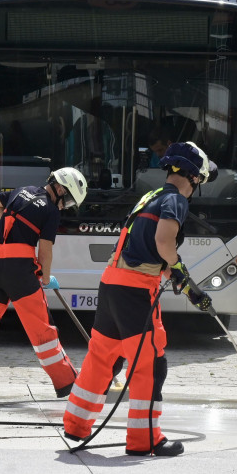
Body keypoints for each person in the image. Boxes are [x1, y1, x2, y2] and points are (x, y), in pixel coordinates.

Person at [63, 141, 216, 457]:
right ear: (195, 178)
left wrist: (177, 278)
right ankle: (145, 439)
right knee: (149, 365)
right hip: (135, 291)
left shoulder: (151, 197)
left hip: (111, 284)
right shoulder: (175, 201)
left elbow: (144, 245)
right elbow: (163, 242)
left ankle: (75, 424)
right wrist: (182, 273)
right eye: (200, 179)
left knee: (103, 357)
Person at [0, 167, 88, 400]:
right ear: (59, 188)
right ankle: (66, 381)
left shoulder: (21, 191)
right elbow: (45, 251)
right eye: (67, 200)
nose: (64, 206)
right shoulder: (50, 210)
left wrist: (16, 226)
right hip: (19, 272)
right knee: (41, 329)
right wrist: (46, 279)